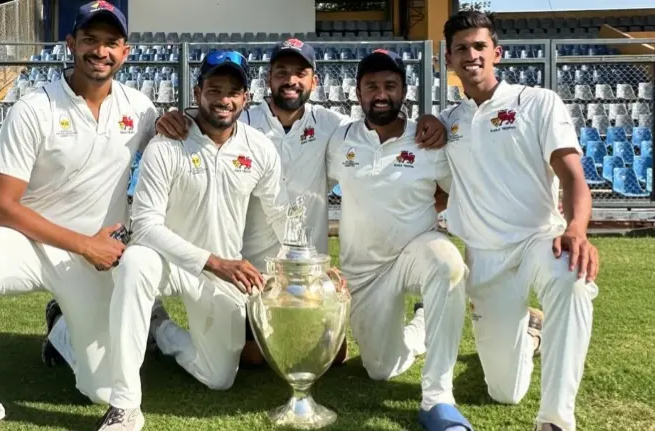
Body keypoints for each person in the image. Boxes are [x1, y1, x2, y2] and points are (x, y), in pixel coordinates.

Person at [154, 38, 450, 366]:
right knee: (252, 360)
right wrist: (173, 118)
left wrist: (428, 121)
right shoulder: (243, 122)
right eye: (281, 71)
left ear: (314, 81)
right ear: (268, 79)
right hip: (254, 269)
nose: (290, 80)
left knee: (332, 359)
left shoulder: (333, 127)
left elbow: (382, 145)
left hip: (308, 269)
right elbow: (205, 121)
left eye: (300, 72)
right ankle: (162, 328)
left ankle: (418, 325)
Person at [0, 2, 158, 430]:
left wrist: (178, 125)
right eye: (90, 40)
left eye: (111, 43)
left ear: (125, 52)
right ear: (71, 43)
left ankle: (60, 329)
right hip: (30, 241)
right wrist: (84, 244)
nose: (100, 51)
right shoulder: (34, 107)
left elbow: (169, 158)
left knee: (101, 390)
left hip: (91, 258)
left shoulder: (142, 109)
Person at [94, 50, 291, 430]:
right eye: (214, 89)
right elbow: (146, 225)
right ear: (198, 91)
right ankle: (125, 404)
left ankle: (161, 328)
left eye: (233, 91)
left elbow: (280, 213)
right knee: (136, 262)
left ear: (245, 99)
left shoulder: (259, 148)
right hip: (167, 262)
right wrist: (214, 261)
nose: (223, 99)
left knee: (219, 378)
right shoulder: (168, 144)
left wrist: (306, 266)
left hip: (220, 270)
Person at [439, 11, 599, 431]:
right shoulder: (449, 121)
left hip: (539, 241)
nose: (471, 55)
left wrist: (576, 230)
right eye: (461, 48)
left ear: (497, 52)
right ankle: (532, 333)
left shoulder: (538, 101)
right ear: (448, 59)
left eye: (479, 46)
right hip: (485, 257)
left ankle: (556, 419)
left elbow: (572, 176)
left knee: (571, 276)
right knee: (504, 392)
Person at [325, 49, 472, 431]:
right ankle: (422, 323)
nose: (381, 93)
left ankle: (438, 398)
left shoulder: (428, 139)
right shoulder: (339, 139)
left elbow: (458, 190)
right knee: (380, 369)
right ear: (357, 92)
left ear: (404, 91)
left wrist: (433, 199)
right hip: (365, 270)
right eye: (371, 85)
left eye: (390, 85)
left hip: (415, 249)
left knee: (447, 264)